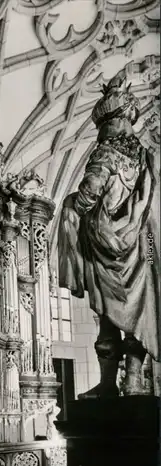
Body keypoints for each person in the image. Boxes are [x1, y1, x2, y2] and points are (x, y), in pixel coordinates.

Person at [58, 74, 159, 398]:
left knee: (106, 318)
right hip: (143, 246)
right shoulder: (145, 159)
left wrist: (72, 204)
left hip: (106, 247)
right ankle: (133, 381)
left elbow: (88, 193)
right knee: (139, 313)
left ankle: (106, 385)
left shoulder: (105, 154)